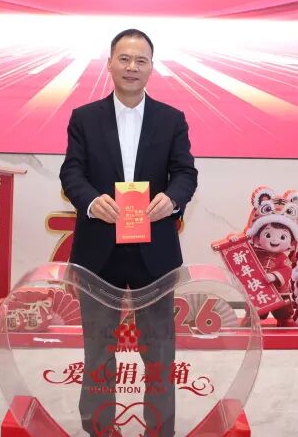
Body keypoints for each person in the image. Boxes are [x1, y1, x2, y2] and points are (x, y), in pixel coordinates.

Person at [60, 29, 198, 437]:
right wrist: (91, 200)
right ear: (109, 64)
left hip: (154, 250)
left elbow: (186, 173)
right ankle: (100, 428)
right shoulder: (84, 118)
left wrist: (172, 200)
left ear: (152, 67)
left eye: (141, 60)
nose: (132, 67)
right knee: (98, 347)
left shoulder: (171, 119)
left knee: (158, 348)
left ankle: (159, 429)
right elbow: (72, 172)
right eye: (124, 59)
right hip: (98, 249)